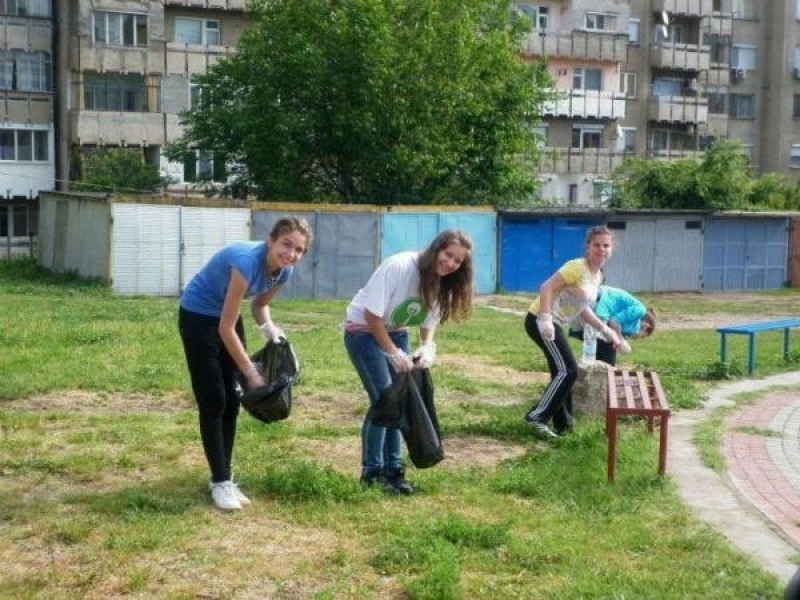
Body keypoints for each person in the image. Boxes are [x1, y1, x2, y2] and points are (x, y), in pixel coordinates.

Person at [178, 217, 313, 511]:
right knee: (214, 399)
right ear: (270, 240)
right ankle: (221, 480)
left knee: (233, 397)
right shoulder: (246, 263)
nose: (291, 254)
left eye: (299, 250)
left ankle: (222, 478)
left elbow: (259, 305)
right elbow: (225, 329)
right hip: (198, 316)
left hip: (227, 316)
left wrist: (269, 328)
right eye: (286, 244)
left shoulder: (284, 272)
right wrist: (250, 370)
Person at [343, 230, 474, 495]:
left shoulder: (441, 280)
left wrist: (427, 346)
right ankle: (372, 473)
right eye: (448, 255)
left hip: (396, 331)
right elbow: (371, 315)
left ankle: (394, 471)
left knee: (399, 401)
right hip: (363, 332)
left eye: (457, 261)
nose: (450, 264)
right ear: (436, 248)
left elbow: (429, 321)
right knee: (384, 400)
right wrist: (392, 352)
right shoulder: (399, 266)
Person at [524, 226, 622, 439]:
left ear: (611, 249)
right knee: (568, 371)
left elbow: (582, 308)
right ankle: (536, 418)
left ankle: (563, 425)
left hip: (555, 323)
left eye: (606, 245)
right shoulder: (576, 267)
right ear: (587, 247)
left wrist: (605, 331)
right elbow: (546, 287)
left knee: (561, 371)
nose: (601, 249)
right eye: (597, 244)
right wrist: (545, 318)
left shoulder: (596, 276)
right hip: (540, 321)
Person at [569, 285, 657, 365]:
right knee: (609, 346)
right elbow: (614, 321)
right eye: (642, 337)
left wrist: (618, 339)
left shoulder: (632, 320)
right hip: (595, 305)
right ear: (645, 327)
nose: (637, 339)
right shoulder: (640, 310)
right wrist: (620, 340)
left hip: (585, 305)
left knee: (599, 352)